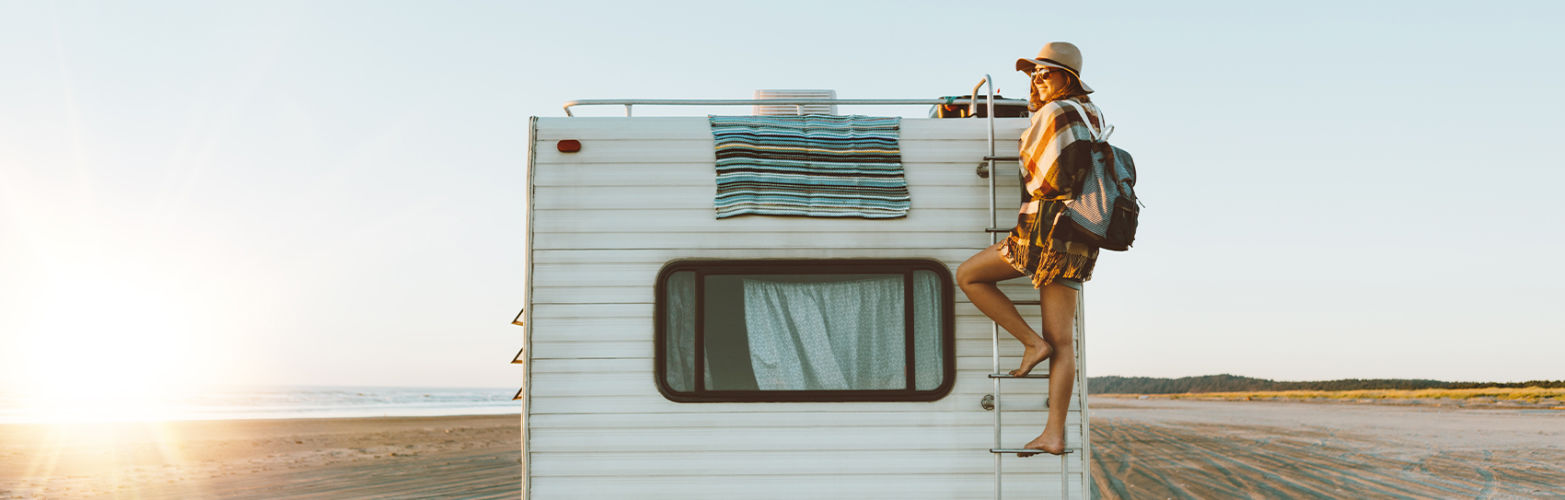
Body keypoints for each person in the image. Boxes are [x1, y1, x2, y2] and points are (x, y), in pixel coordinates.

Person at [954, 41, 1105, 458]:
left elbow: (1042, 174)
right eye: (1033, 75)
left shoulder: (1054, 113)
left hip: (1045, 232)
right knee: (1064, 341)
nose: (1037, 81)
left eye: (1046, 74)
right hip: (1080, 237)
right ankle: (1053, 433)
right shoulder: (1092, 116)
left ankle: (1029, 343)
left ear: (1067, 79)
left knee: (968, 275)